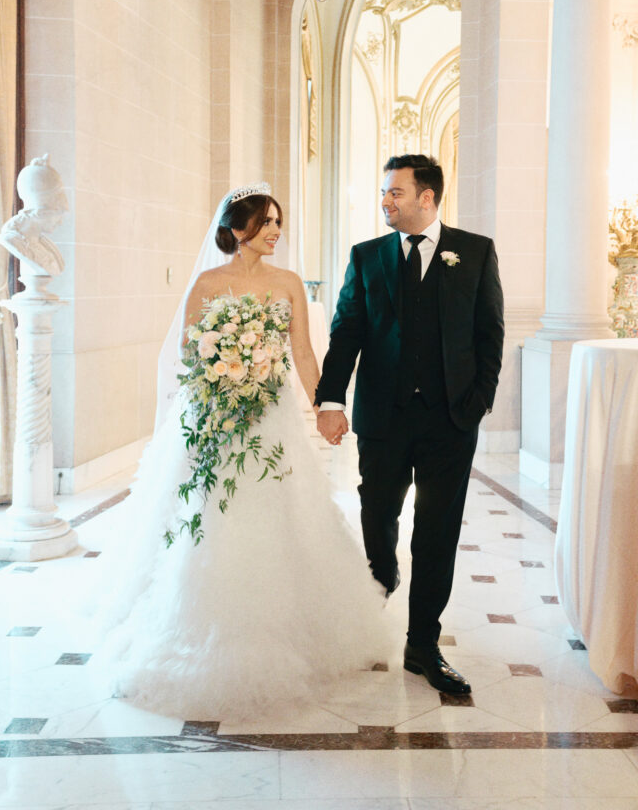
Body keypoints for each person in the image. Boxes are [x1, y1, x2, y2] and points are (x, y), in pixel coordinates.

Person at [91, 183, 391, 721]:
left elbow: (301, 349)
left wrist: (326, 405)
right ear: (236, 230)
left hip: (270, 421)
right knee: (208, 516)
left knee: (280, 514)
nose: (276, 231)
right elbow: (189, 352)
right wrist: (224, 373)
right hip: (214, 420)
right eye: (266, 222)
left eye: (278, 222)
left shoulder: (288, 284)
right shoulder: (208, 284)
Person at [315, 154, 504, 695]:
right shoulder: (367, 256)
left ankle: (422, 643)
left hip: (450, 422)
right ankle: (382, 577)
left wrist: (476, 404)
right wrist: (331, 398)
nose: (385, 201)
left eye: (395, 192)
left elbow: (490, 334)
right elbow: (346, 329)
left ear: (427, 197)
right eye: (383, 192)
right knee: (378, 514)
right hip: (384, 418)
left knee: (437, 532)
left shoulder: (474, 252)